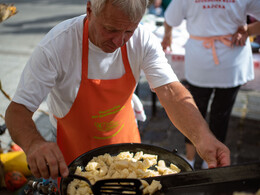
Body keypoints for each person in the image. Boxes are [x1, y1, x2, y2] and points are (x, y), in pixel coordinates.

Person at [5, 0, 230, 180]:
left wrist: (202, 137)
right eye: (110, 29)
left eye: (128, 31)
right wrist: (35, 143)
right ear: (90, 9)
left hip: (127, 147)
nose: (119, 41)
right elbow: (18, 110)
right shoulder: (57, 46)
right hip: (73, 152)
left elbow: (171, 92)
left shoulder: (142, 39)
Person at [162, 0, 260, 169]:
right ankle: (211, 162)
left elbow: (170, 19)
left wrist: (167, 35)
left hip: (203, 62)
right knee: (220, 114)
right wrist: (248, 30)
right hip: (231, 61)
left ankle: (191, 159)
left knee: (194, 111)